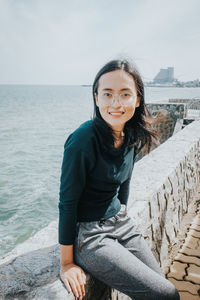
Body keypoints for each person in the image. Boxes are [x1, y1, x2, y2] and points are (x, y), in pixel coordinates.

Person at [58, 59, 180, 300]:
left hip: (121, 223)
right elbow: (67, 202)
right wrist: (66, 263)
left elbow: (124, 185)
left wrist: (122, 214)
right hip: (90, 235)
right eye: (107, 94)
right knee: (167, 295)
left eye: (125, 94)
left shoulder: (131, 135)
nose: (115, 103)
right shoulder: (82, 140)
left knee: (162, 289)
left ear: (137, 99)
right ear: (96, 98)